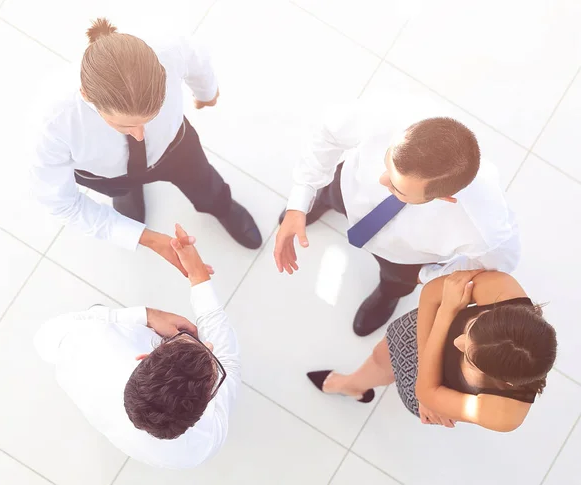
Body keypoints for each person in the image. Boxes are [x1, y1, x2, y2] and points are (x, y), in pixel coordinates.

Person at [30, 18, 262, 277]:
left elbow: (198, 62)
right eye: (124, 126)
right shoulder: (53, 122)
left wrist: (207, 94)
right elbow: (62, 204)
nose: (139, 136)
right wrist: (144, 237)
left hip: (176, 147)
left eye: (149, 118)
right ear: (87, 96)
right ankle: (128, 193)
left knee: (204, 182)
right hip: (106, 174)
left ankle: (221, 206)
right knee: (123, 194)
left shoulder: (168, 47)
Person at [274, 102, 520, 336]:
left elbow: (491, 268)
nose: (381, 180)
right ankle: (322, 201)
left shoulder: (486, 228)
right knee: (331, 193)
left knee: (396, 280)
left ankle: (389, 293)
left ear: (445, 198)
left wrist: (428, 276)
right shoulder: (387, 113)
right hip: (348, 189)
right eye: (387, 162)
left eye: (397, 188)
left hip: (406, 256)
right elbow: (328, 134)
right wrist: (301, 198)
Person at [34, 224, 240, 469]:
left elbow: (44, 338)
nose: (209, 344)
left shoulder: (92, 342)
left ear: (143, 357)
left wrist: (147, 316)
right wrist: (198, 276)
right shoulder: (202, 446)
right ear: (209, 398)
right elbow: (228, 355)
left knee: (97, 314)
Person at [307, 270, 558, 432]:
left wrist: (448, 311)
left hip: (433, 345)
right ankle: (353, 384)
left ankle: (352, 385)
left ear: (504, 381)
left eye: (470, 359)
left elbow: (424, 391)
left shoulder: (506, 415)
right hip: (425, 332)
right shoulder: (502, 287)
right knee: (379, 357)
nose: (458, 343)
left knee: (385, 359)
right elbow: (430, 294)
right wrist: (429, 394)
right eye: (470, 327)